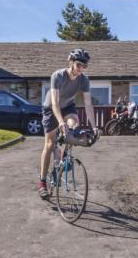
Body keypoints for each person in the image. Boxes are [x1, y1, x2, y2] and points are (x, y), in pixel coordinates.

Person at [38, 48, 98, 199]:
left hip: (68, 107)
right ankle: (42, 183)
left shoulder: (84, 80)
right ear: (71, 62)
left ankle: (63, 158)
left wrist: (94, 126)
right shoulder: (57, 76)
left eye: (84, 66)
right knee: (50, 144)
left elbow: (88, 104)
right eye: (79, 65)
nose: (81, 69)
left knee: (75, 126)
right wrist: (60, 122)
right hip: (51, 108)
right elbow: (55, 104)